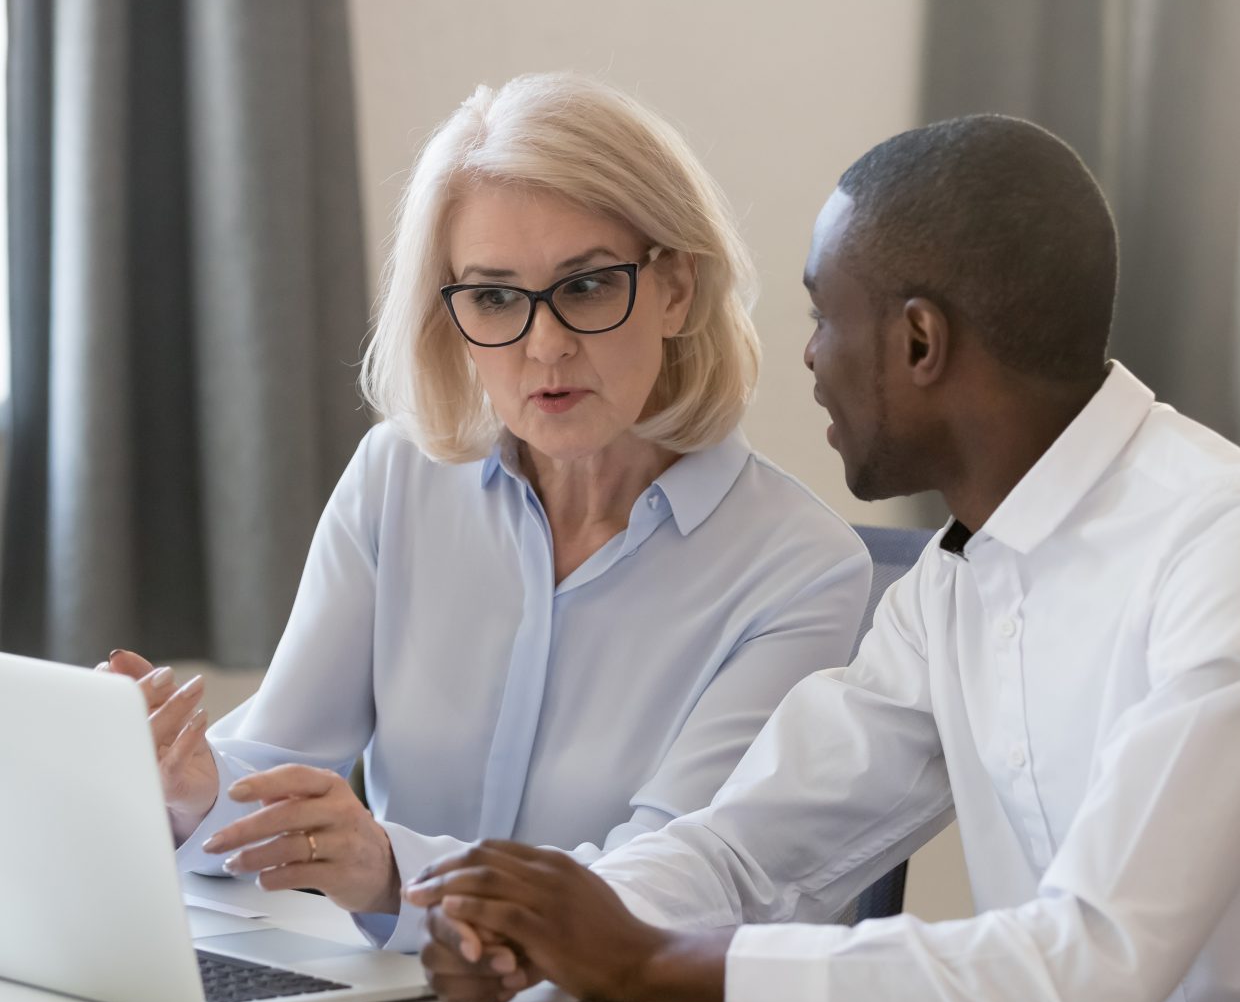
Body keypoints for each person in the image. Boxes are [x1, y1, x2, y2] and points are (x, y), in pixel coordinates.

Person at [409, 115, 1240, 1002]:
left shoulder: (1238, 546)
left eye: (821, 315)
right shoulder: (955, 580)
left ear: (918, 340)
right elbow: (753, 848)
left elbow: (1080, 976)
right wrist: (537, 932)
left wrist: (650, 960)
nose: (808, 359)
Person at [101, 73, 872, 954]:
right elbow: (285, 759)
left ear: (675, 290)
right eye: (496, 297)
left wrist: (392, 870)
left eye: (585, 287)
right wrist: (195, 789)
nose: (545, 345)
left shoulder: (806, 570)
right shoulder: (399, 478)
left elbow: (669, 886)